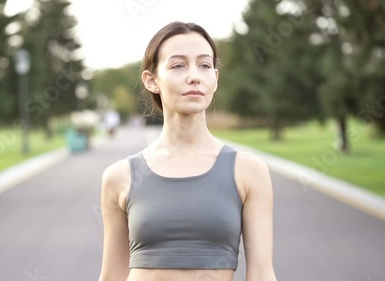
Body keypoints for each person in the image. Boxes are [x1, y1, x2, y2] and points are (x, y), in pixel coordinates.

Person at [98, 21, 277, 281]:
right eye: (178, 65)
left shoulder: (249, 172)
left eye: (204, 65)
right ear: (152, 80)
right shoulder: (118, 177)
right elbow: (111, 276)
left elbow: (262, 274)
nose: (194, 75)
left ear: (215, 79)